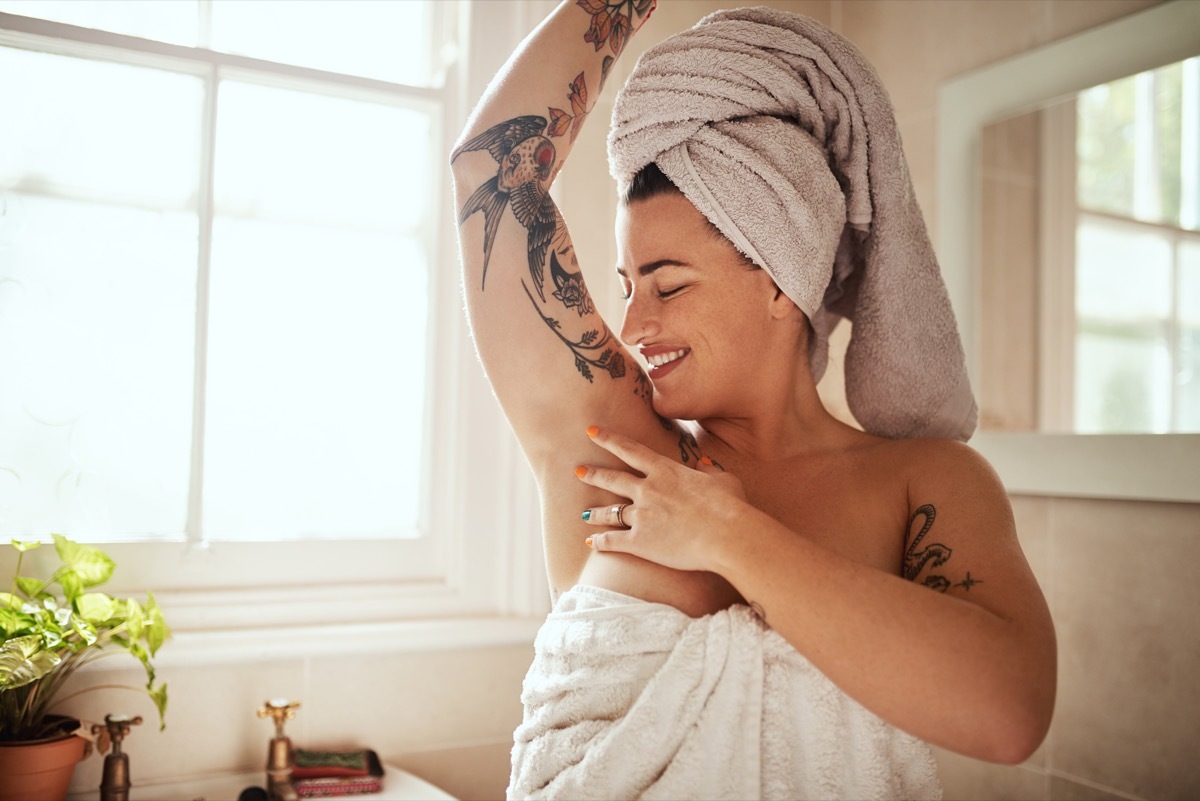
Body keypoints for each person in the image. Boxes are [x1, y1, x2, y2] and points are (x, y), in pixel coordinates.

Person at [450, 1, 1056, 798]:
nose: (632, 322)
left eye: (667, 283)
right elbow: (491, 175)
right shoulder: (621, 443)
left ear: (780, 282)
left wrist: (728, 534)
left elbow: (1009, 713)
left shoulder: (928, 482)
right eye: (628, 284)